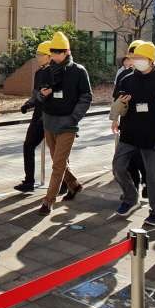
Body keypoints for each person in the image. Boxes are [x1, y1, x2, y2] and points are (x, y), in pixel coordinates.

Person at [110, 41, 155, 226]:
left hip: (153, 134)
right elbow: (118, 104)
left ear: (151, 59)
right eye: (134, 58)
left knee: (154, 176)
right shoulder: (127, 79)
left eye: (140, 58)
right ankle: (130, 197)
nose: (136, 61)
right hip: (129, 131)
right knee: (118, 166)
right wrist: (119, 109)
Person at [35, 31, 92, 215]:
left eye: (59, 52)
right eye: (53, 51)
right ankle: (73, 184)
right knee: (57, 161)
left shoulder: (79, 71)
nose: (55, 55)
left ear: (67, 51)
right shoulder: (46, 71)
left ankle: (48, 201)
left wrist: (73, 118)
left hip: (68, 124)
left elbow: (86, 97)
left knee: (58, 164)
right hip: (49, 122)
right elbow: (37, 95)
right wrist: (42, 95)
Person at [15, 40, 68, 195]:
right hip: (38, 116)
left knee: (57, 152)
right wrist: (28, 104)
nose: (37, 57)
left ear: (49, 55)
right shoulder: (39, 73)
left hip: (53, 117)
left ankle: (65, 183)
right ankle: (29, 181)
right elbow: (36, 94)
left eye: (40, 54)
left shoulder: (57, 72)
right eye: (37, 54)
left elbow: (59, 95)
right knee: (28, 145)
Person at [113, 39, 148, 197]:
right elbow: (116, 99)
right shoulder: (125, 76)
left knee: (144, 160)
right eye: (132, 56)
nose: (134, 59)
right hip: (129, 125)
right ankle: (132, 189)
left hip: (148, 128)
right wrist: (115, 118)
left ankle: (148, 184)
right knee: (129, 161)